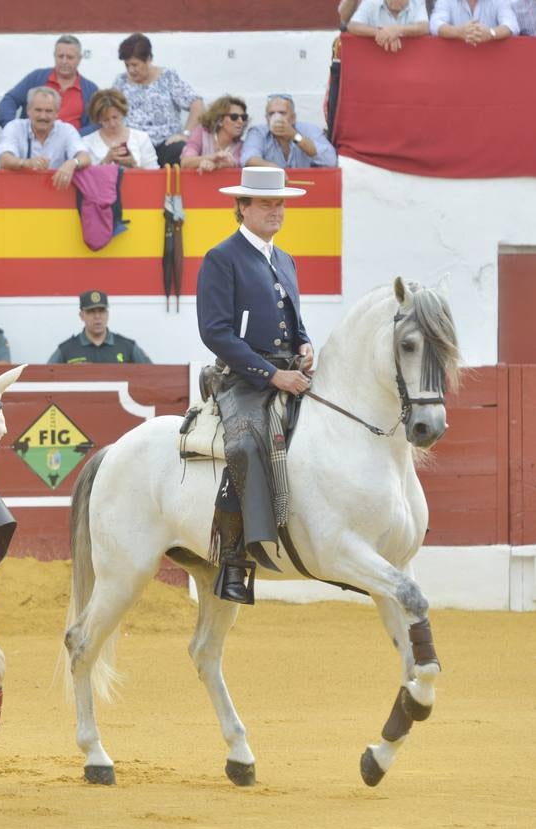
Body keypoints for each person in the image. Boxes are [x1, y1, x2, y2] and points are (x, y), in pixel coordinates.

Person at [196, 167, 314, 606]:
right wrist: (271, 374)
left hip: (292, 373)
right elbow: (215, 332)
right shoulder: (221, 257)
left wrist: (305, 346)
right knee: (244, 446)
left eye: (280, 203)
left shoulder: (285, 259)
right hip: (243, 379)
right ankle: (232, 559)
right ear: (242, 207)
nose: (276, 211)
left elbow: (296, 324)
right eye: (266, 203)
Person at [110, 33, 203, 168]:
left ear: (148, 59)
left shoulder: (168, 77)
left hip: (166, 144)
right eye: (127, 65)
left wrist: (186, 134)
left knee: (181, 151)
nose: (131, 70)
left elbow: (197, 104)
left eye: (135, 65)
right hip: (134, 145)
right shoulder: (121, 82)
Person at [0, 35, 100, 136]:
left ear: (79, 59)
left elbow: (98, 122)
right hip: (32, 143)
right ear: (54, 56)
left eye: (70, 57)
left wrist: (75, 136)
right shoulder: (36, 78)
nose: (64, 61)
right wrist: (11, 128)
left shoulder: (90, 90)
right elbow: (10, 99)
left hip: (71, 148)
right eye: (60, 56)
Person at [0, 86, 90, 190]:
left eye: (48, 111)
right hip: (17, 191)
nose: (43, 116)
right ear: (28, 110)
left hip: (55, 194)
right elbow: (4, 160)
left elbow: (85, 157)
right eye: (38, 110)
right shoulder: (14, 127)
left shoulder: (67, 130)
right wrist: (27, 163)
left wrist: (72, 163)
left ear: (57, 113)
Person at [48, 291, 152, 364]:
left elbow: (152, 375)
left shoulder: (127, 347)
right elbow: (45, 378)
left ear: (107, 314)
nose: (97, 317)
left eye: (101, 311)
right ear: (81, 316)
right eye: (91, 312)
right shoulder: (66, 349)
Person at [241, 94, 338, 169]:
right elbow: (248, 159)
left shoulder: (309, 129)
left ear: (293, 118)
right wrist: (274, 170)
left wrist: (294, 136)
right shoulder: (258, 132)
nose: (276, 117)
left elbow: (330, 160)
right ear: (266, 118)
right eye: (271, 114)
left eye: (282, 113)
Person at [82, 88, 159, 170]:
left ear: (122, 112)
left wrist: (133, 166)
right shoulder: (87, 142)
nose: (112, 124)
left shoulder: (141, 138)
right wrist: (106, 161)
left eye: (115, 117)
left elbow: (154, 174)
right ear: (98, 119)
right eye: (106, 120)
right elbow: (86, 178)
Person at [180, 96, 247, 173]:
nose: (241, 121)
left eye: (243, 117)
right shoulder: (202, 133)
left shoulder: (242, 146)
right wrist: (212, 157)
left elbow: (239, 163)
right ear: (220, 120)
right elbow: (185, 161)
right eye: (234, 117)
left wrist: (216, 165)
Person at [347, 0, 429, 50]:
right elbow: (352, 25)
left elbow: (424, 26)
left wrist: (399, 30)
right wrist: (381, 33)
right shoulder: (371, 1)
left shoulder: (417, 2)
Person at [429, 0, 518, 41]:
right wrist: (457, 32)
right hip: (456, 62)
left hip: (492, 61)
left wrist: (491, 33)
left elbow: (511, 25)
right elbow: (434, 24)